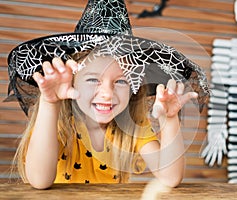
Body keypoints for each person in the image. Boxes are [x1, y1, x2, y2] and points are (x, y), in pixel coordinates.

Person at [7, 0, 209, 189]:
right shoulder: (58, 121)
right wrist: (50, 104)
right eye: (93, 79)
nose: (106, 93)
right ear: (72, 79)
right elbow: (39, 180)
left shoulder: (132, 124)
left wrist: (170, 119)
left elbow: (171, 177)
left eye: (121, 81)